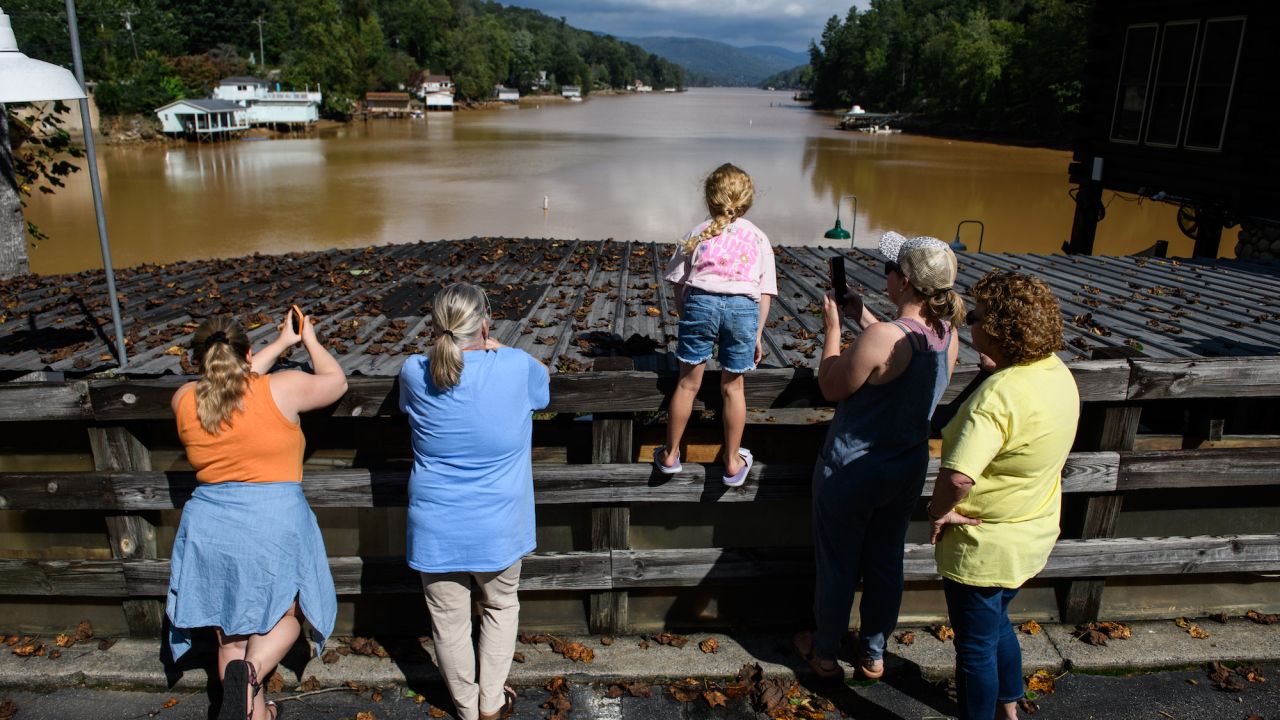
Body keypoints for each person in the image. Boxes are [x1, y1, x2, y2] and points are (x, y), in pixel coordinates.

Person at [795, 232, 963, 681]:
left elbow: (832, 385)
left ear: (904, 282)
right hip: (905, 469)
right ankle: (873, 653)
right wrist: (862, 313)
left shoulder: (882, 337)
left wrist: (833, 328)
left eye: (890, 270)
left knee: (838, 564)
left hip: (852, 470)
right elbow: (900, 346)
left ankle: (826, 653)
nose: (885, 275)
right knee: (887, 561)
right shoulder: (948, 336)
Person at [168, 311, 348, 720]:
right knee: (288, 614)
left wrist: (282, 343)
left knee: (229, 633)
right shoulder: (283, 388)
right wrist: (309, 342)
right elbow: (336, 382)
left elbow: (228, 381)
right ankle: (252, 672)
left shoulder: (183, 400)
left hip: (210, 525)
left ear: (198, 360)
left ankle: (254, 708)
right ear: (247, 353)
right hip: (271, 521)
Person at [926, 270, 1080, 720]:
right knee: (995, 624)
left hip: (985, 546)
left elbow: (958, 478)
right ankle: (1009, 706)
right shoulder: (1053, 371)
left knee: (974, 648)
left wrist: (937, 513)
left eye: (974, 315)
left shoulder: (997, 398)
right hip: (1032, 532)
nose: (968, 322)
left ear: (995, 329)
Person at [398, 283, 550, 720]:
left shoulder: (414, 370)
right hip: (499, 521)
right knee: (501, 606)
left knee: (448, 621)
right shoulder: (515, 366)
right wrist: (497, 345)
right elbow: (544, 379)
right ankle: (491, 704)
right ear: (486, 321)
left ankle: (465, 709)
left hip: (436, 523)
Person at [654, 163, 778, 487]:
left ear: (710, 198)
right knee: (732, 388)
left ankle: (670, 454)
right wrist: (756, 335)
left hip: (701, 303)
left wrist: (687, 314)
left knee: (687, 384)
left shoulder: (697, 232)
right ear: (747, 200)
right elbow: (765, 293)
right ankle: (733, 462)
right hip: (742, 311)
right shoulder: (759, 238)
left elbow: (678, 283)